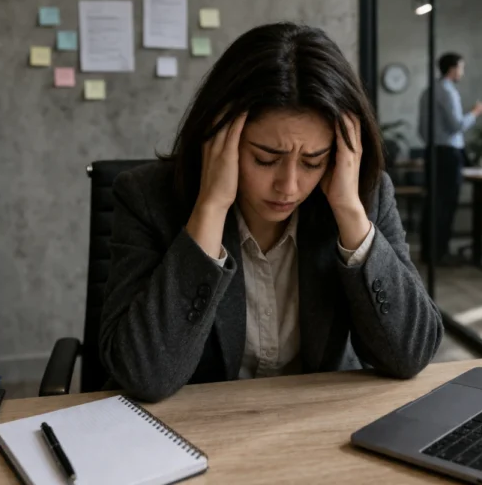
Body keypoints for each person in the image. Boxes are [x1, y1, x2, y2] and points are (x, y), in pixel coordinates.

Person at [98, 23, 444, 402]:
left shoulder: (364, 196)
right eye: (265, 159)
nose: (289, 186)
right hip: (199, 430)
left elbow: (410, 355)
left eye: (313, 161)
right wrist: (210, 209)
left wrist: (350, 213)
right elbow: (145, 375)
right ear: (217, 139)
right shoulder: (149, 198)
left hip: (315, 427)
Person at [419, 53, 482, 264]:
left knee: (432, 203)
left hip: (432, 151)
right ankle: (441, 253)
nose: (462, 72)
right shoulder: (448, 91)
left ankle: (429, 252)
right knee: (446, 204)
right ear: (452, 69)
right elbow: (457, 125)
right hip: (448, 154)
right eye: (461, 68)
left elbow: (422, 129)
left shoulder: (428, 91)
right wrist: (476, 112)